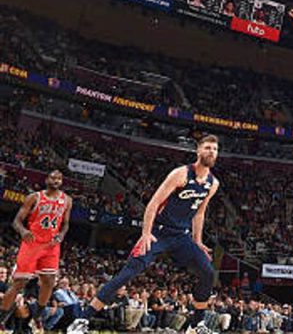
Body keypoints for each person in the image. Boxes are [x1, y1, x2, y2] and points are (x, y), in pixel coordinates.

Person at [68, 135, 220, 334]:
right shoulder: (181, 174)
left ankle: (197, 325)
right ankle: (82, 320)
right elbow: (154, 203)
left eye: (215, 149)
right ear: (198, 151)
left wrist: (198, 240)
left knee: (207, 272)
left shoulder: (213, 183)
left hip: (182, 237)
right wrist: (146, 233)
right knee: (127, 274)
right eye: (208, 148)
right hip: (159, 232)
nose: (212, 152)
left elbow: (199, 213)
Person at [0, 170, 71, 329]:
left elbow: (65, 224)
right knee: (19, 283)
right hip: (32, 243)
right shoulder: (34, 197)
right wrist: (24, 231)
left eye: (59, 178)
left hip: (51, 245)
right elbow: (17, 221)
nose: (56, 180)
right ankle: (1, 320)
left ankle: (37, 318)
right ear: (47, 179)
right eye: (53, 177)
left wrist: (61, 234)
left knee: (49, 281)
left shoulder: (67, 200)